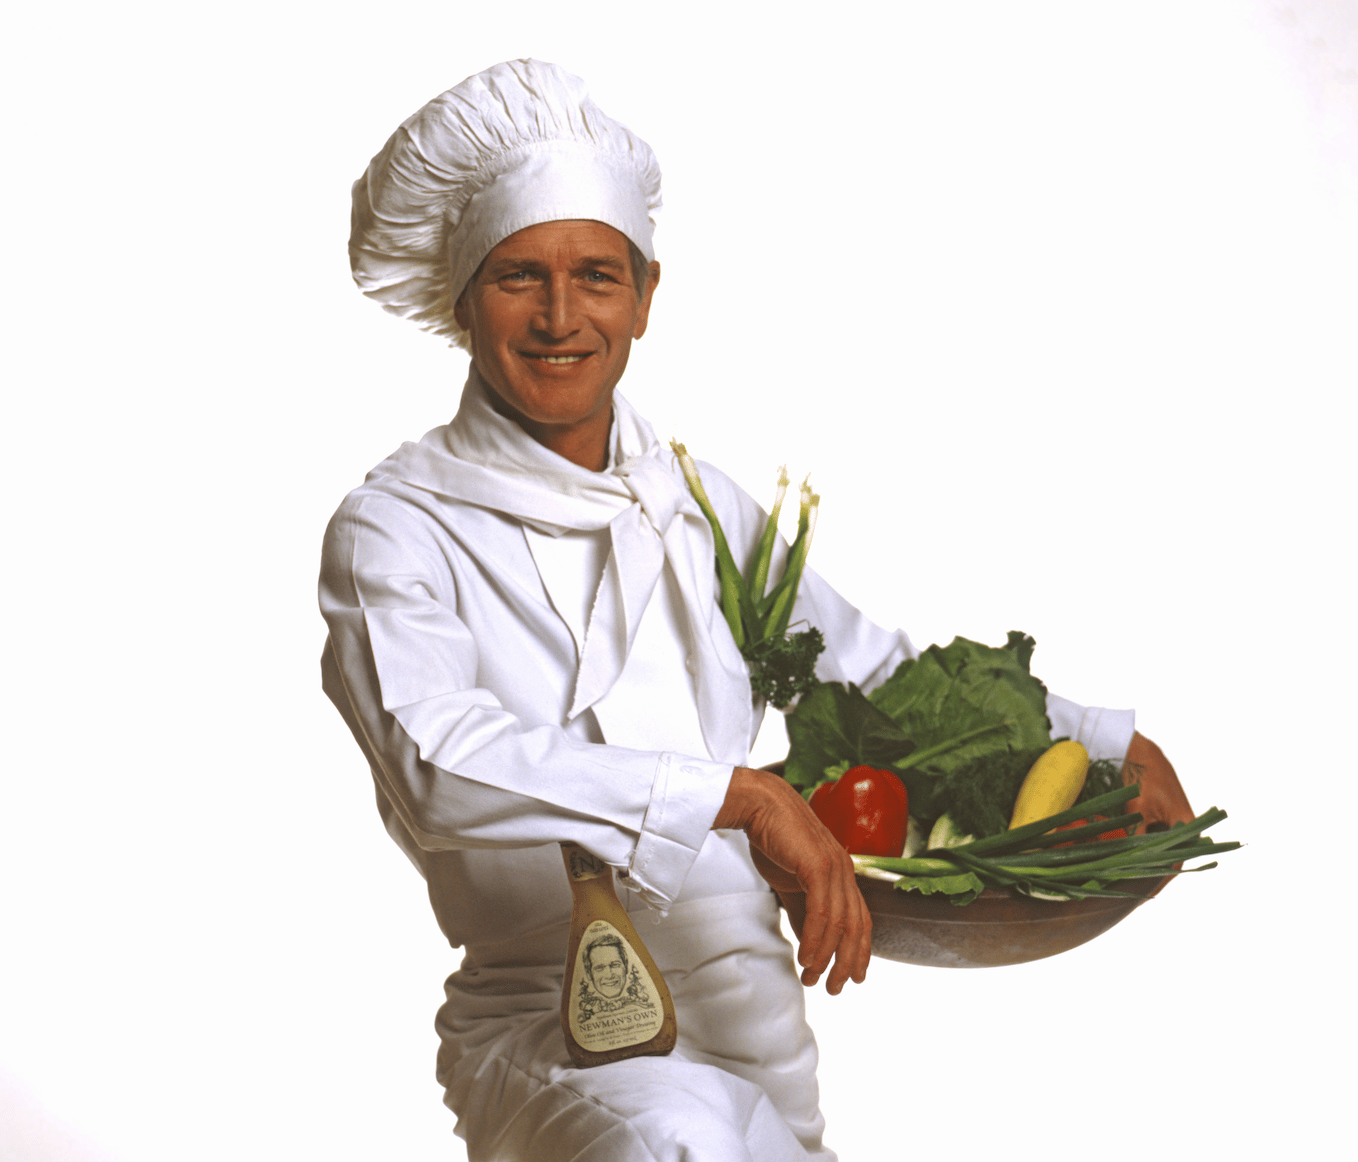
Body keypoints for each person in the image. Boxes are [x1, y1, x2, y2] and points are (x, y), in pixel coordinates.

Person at [320, 58, 1191, 1162]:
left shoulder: (693, 504)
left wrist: (1102, 739)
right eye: (516, 277)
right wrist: (730, 795)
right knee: (674, 1144)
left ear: (643, 295)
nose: (557, 316)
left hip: (749, 1011)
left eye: (594, 274)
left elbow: (872, 678)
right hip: (554, 1020)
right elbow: (437, 764)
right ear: (464, 304)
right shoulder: (395, 529)